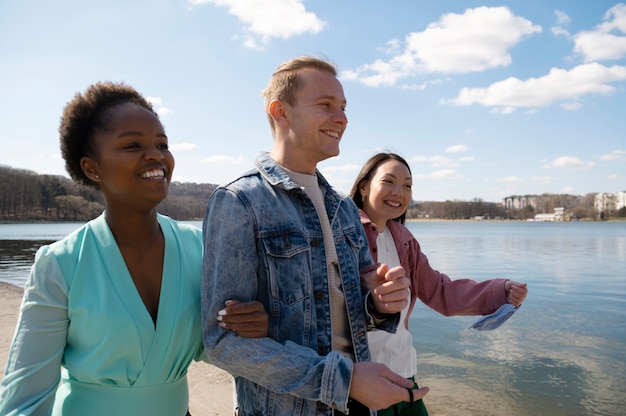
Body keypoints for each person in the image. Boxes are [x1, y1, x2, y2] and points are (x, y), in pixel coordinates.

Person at [0, 82, 268, 416]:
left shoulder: (199, 247)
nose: (156, 154)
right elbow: (25, 396)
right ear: (91, 167)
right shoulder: (61, 264)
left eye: (162, 144)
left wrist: (247, 326)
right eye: (132, 145)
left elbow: (208, 347)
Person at [201, 57, 429, 416]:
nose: (342, 118)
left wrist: (380, 303)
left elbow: (355, 315)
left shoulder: (344, 209)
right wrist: (345, 380)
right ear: (281, 112)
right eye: (325, 105)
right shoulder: (240, 202)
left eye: (343, 107)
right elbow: (223, 343)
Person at [349, 152, 529, 416]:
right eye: (389, 181)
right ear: (364, 186)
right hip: (363, 383)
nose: (399, 192)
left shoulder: (405, 241)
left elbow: (441, 291)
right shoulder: (343, 235)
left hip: (404, 374)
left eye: (408, 185)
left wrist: (500, 291)